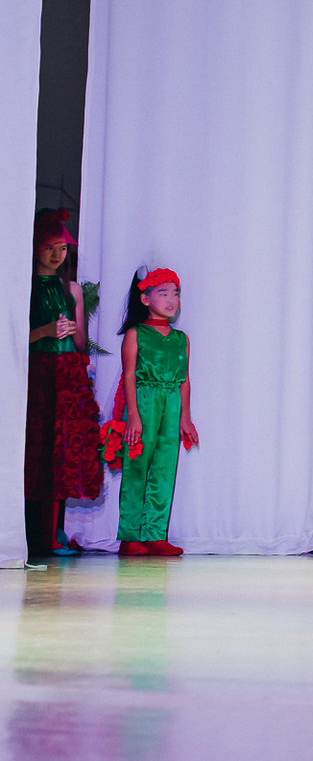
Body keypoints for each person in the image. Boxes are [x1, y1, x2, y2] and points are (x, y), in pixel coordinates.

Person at [23, 210, 101, 558]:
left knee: (65, 453)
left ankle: (54, 531)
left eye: (63, 248)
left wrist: (73, 330)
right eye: (49, 247)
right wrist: (45, 331)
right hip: (38, 375)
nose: (57, 255)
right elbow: (14, 339)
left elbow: (82, 343)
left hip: (68, 376)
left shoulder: (72, 289)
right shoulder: (23, 286)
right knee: (38, 453)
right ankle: (35, 533)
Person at [109, 268, 198, 557]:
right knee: (137, 466)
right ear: (145, 299)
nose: (172, 300)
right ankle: (130, 536)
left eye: (176, 294)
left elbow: (184, 380)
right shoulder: (136, 334)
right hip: (144, 401)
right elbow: (129, 375)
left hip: (171, 403)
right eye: (163, 293)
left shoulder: (181, 338)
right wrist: (133, 415)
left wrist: (185, 418)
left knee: (164, 468)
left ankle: (155, 534)